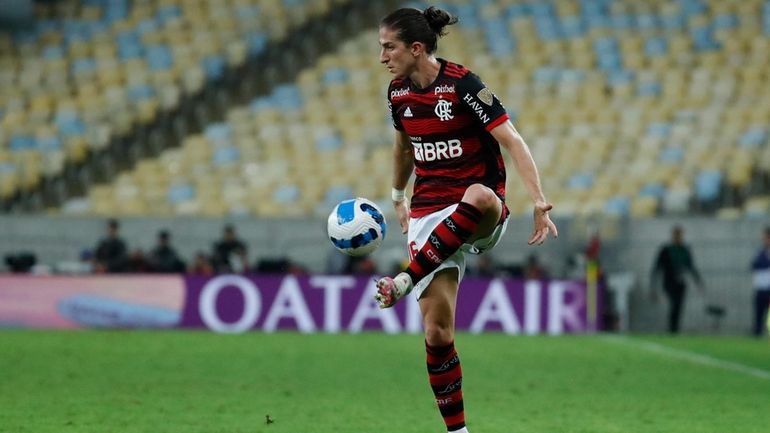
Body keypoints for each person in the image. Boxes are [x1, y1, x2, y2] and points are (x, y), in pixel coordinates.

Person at [373, 7, 558, 433]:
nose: (382, 56)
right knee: (437, 334)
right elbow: (404, 149)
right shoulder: (397, 94)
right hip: (428, 211)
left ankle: (402, 280)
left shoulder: (463, 84)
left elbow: (511, 139)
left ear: (416, 48)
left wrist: (539, 199)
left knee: (478, 194)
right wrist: (398, 195)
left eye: (389, 47)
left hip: (479, 209)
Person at [650, 225, 704, 334]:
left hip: (680, 282)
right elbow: (657, 268)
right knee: (674, 304)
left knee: (678, 306)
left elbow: (691, 266)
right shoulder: (666, 250)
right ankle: (672, 329)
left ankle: (674, 329)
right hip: (669, 282)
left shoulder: (684, 250)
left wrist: (698, 282)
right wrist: (653, 287)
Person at [750, 227, 770, 337]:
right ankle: (757, 332)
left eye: (765, 237)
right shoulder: (760, 251)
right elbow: (754, 265)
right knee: (758, 312)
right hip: (760, 287)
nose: (763, 239)